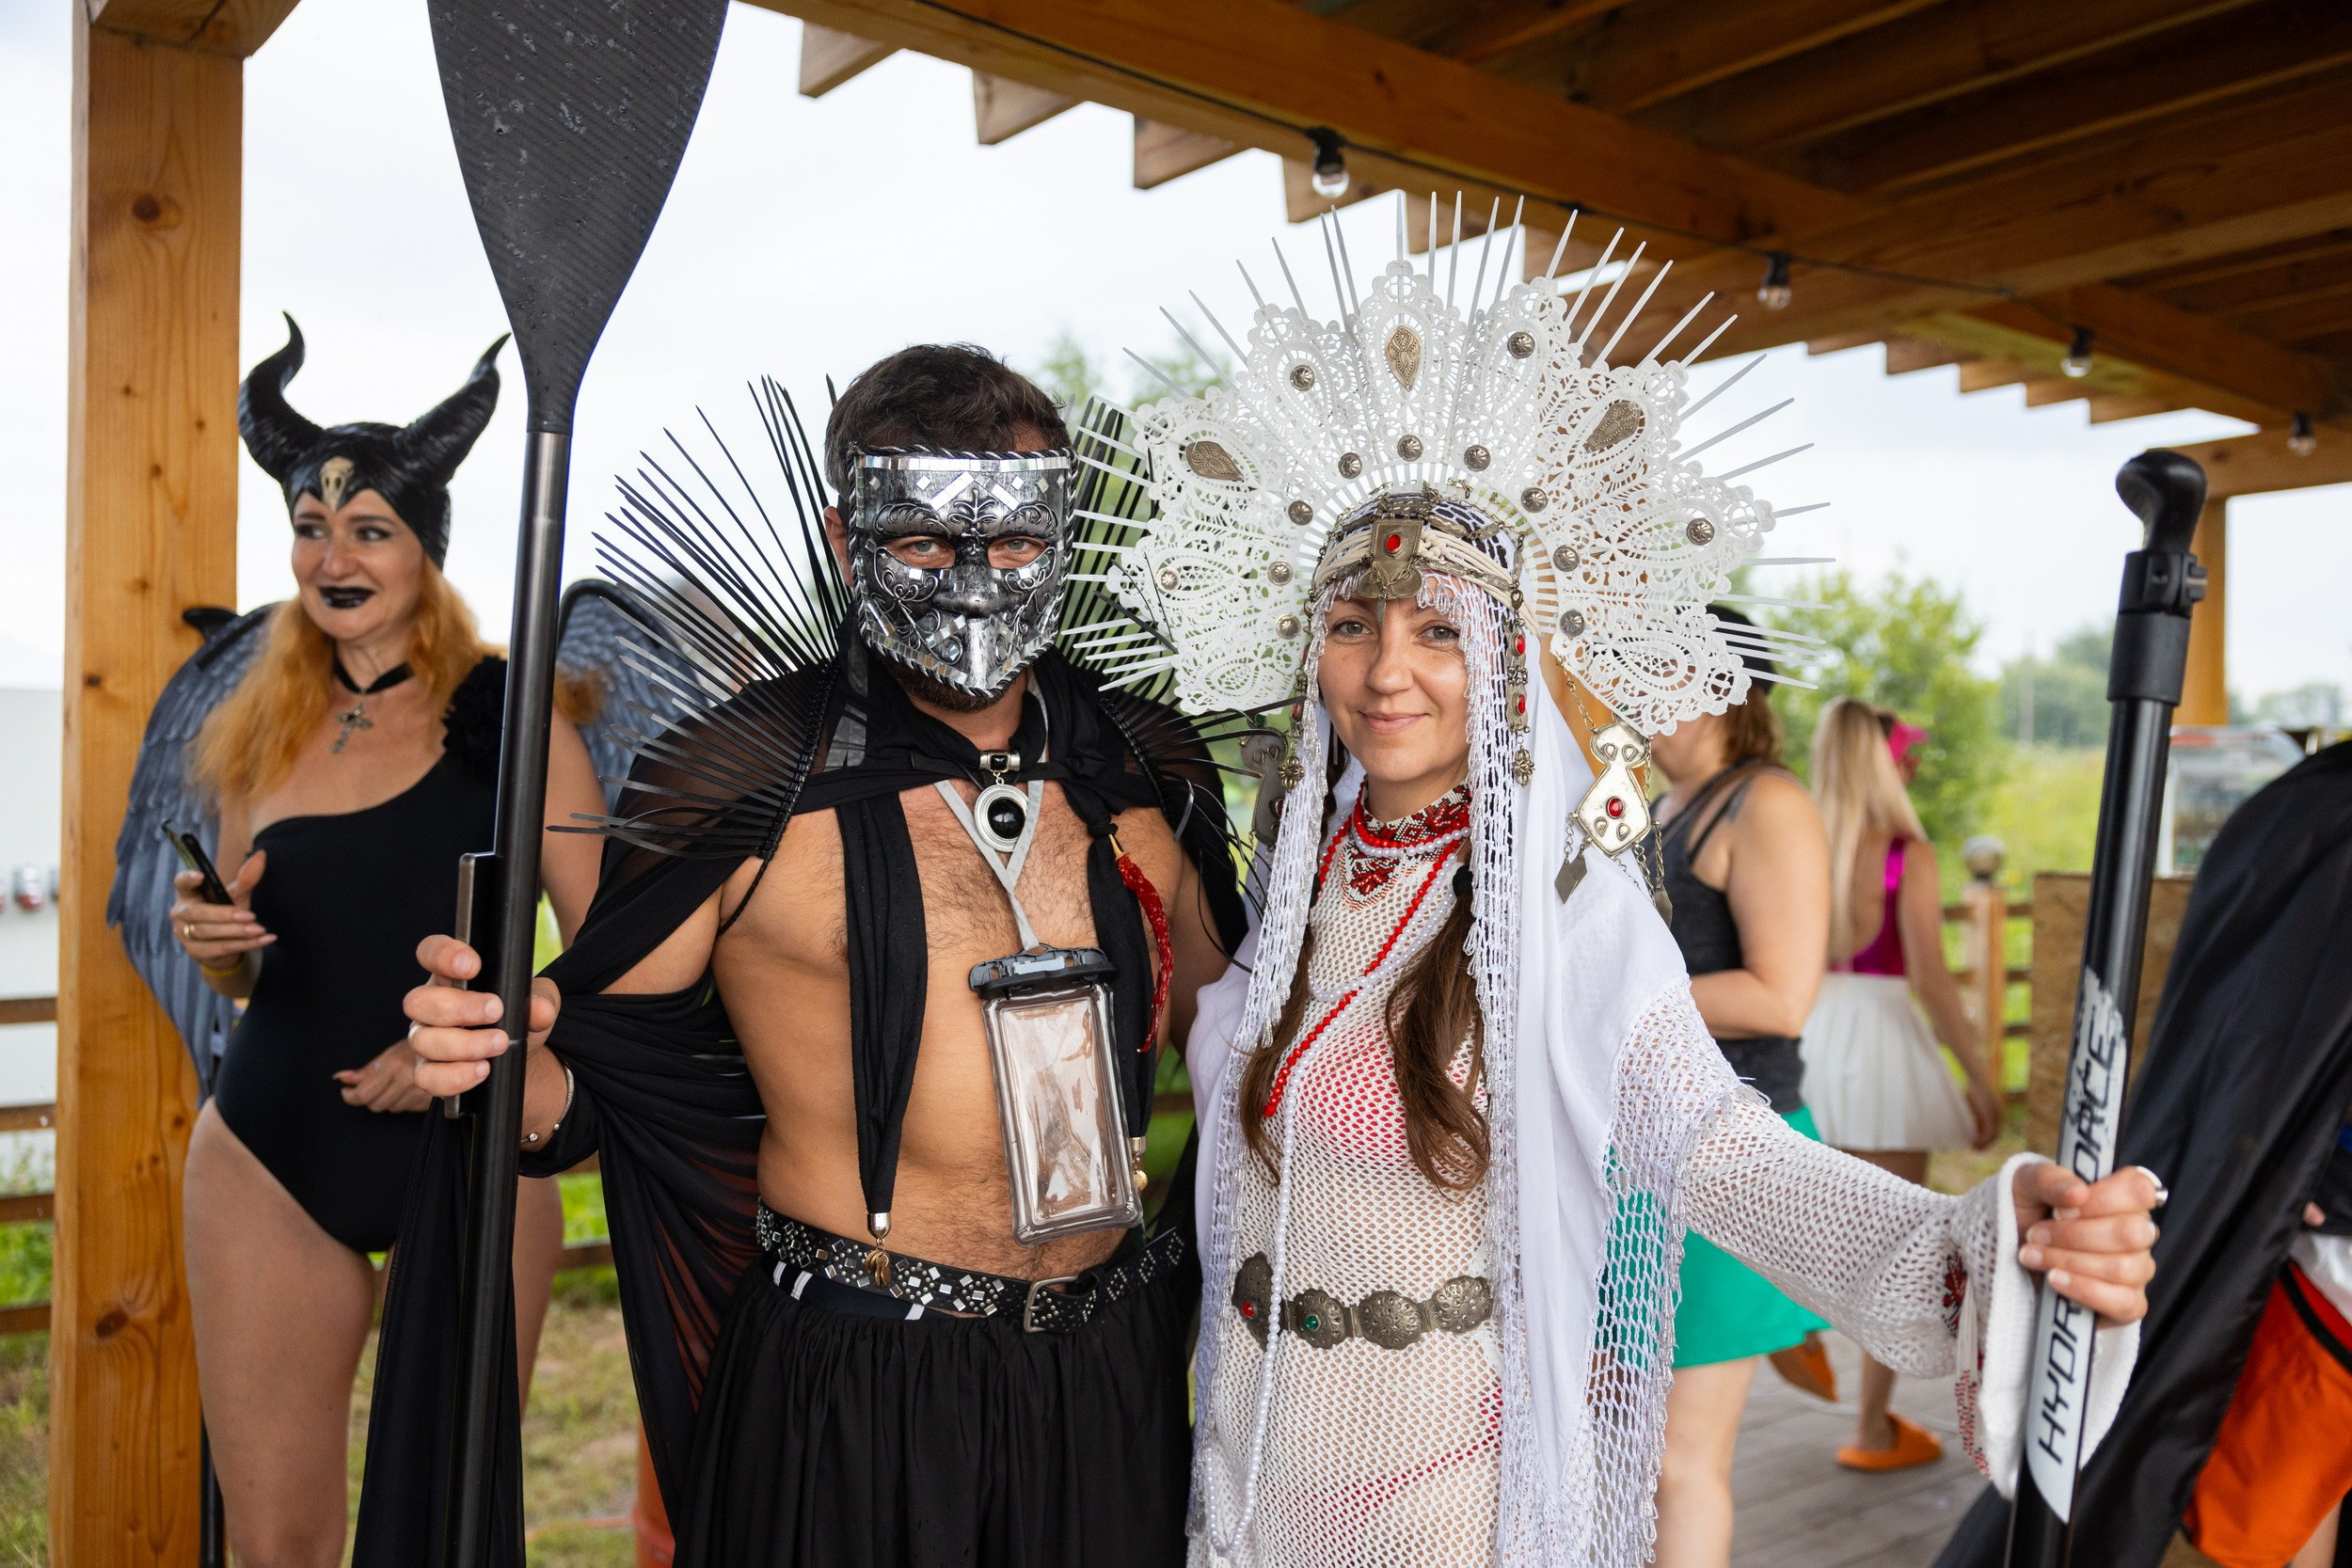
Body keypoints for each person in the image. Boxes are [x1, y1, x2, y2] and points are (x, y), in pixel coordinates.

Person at [1112, 212, 2158, 1568]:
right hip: (1250, 1478)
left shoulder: (1565, 911)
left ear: (1508, 659)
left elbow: (1718, 1147)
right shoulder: (1303, 893)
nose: (1387, 670)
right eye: (1354, 622)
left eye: (1439, 629)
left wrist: (1974, 1237)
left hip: (1441, 1494)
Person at [368, 346, 1248, 1568]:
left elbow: (1247, 1049)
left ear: (1064, 533)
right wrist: (491, 1060)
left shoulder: (1143, 764)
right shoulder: (742, 774)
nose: (975, 585)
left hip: (1108, 1371)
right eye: (926, 544)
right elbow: (601, 1083)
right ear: (846, 534)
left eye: (1015, 543)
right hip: (853, 1377)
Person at [151, 321, 606, 1567]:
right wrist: (214, 939)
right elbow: (252, 972)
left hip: (475, 1147)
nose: (332, 556)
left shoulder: (519, 720)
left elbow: (616, 959)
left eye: (369, 529)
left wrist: (471, 1044)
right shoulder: (257, 726)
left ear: (427, 550)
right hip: (269, 1146)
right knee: (275, 1543)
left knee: (445, 1528)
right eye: (311, 527)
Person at [1935, 738, 2352, 1568]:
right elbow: (2252, 1050)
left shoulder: (2303, 810)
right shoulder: (2316, 813)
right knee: (2269, 1514)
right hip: (2319, 1254)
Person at [1644, 608, 1836, 1566]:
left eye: (1646, 666)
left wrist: (1610, 999)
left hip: (1731, 1151)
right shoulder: (1664, 805)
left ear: (1712, 681)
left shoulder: (1766, 803)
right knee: (1625, 1441)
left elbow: (1780, 993)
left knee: (1680, 1460)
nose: (1627, 689)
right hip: (1643, 1148)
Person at [1802, 695, 2003, 1472]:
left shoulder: (1798, 838)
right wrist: (1979, 1078)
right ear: (1886, 764)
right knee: (1891, 1250)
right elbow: (1932, 979)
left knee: (1808, 1220)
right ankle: (1872, 1427)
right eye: (1906, 756)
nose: (1912, 767)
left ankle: (1794, 1332)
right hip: (1885, 1045)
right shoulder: (1904, 853)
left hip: (1810, 1033)